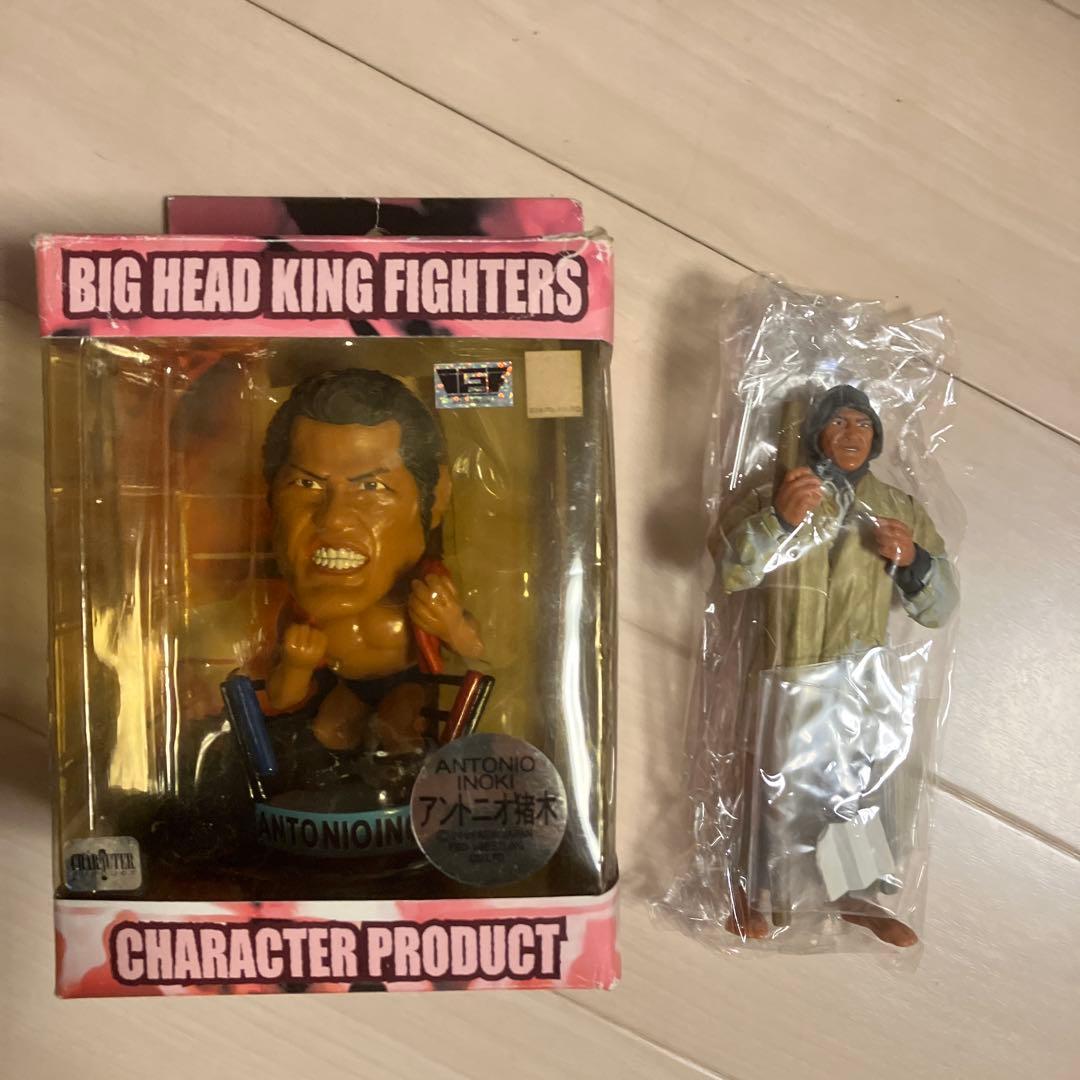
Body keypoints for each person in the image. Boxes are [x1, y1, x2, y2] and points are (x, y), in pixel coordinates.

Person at [715, 384, 958, 946]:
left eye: (863, 425)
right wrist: (778, 521)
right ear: (815, 431)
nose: (852, 435)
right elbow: (729, 570)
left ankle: (853, 892)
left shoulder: (899, 509)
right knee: (769, 783)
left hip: (858, 673)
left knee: (859, 783)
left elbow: (941, 605)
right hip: (785, 664)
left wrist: (914, 560)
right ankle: (752, 893)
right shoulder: (778, 492)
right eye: (840, 423)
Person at [262, 368, 483, 753]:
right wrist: (296, 666)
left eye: (371, 486)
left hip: (407, 682)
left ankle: (399, 777)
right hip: (344, 685)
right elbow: (281, 697)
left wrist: (452, 626)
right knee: (328, 732)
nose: (333, 519)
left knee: (397, 730)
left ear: (435, 499)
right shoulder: (301, 613)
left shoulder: (425, 588)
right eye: (307, 484)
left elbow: (479, 651)